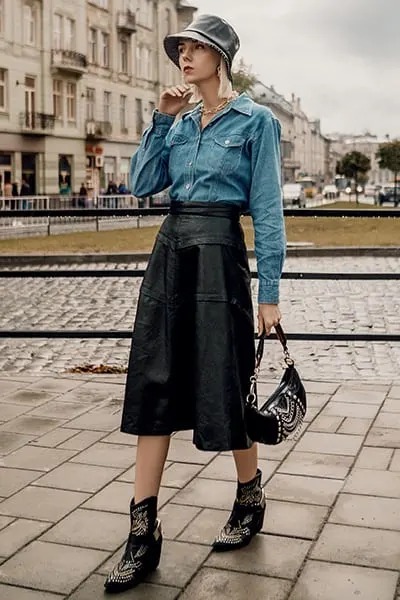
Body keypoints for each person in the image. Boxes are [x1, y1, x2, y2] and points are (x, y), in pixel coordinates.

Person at [104, 14, 286, 594]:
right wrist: (160, 118)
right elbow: (140, 183)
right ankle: (142, 532)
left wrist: (271, 293)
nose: (184, 55)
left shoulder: (257, 122)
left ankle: (249, 495)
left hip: (219, 256)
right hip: (170, 253)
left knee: (224, 383)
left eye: (196, 47)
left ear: (222, 56)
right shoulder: (177, 122)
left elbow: (268, 209)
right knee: (153, 383)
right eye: (180, 47)